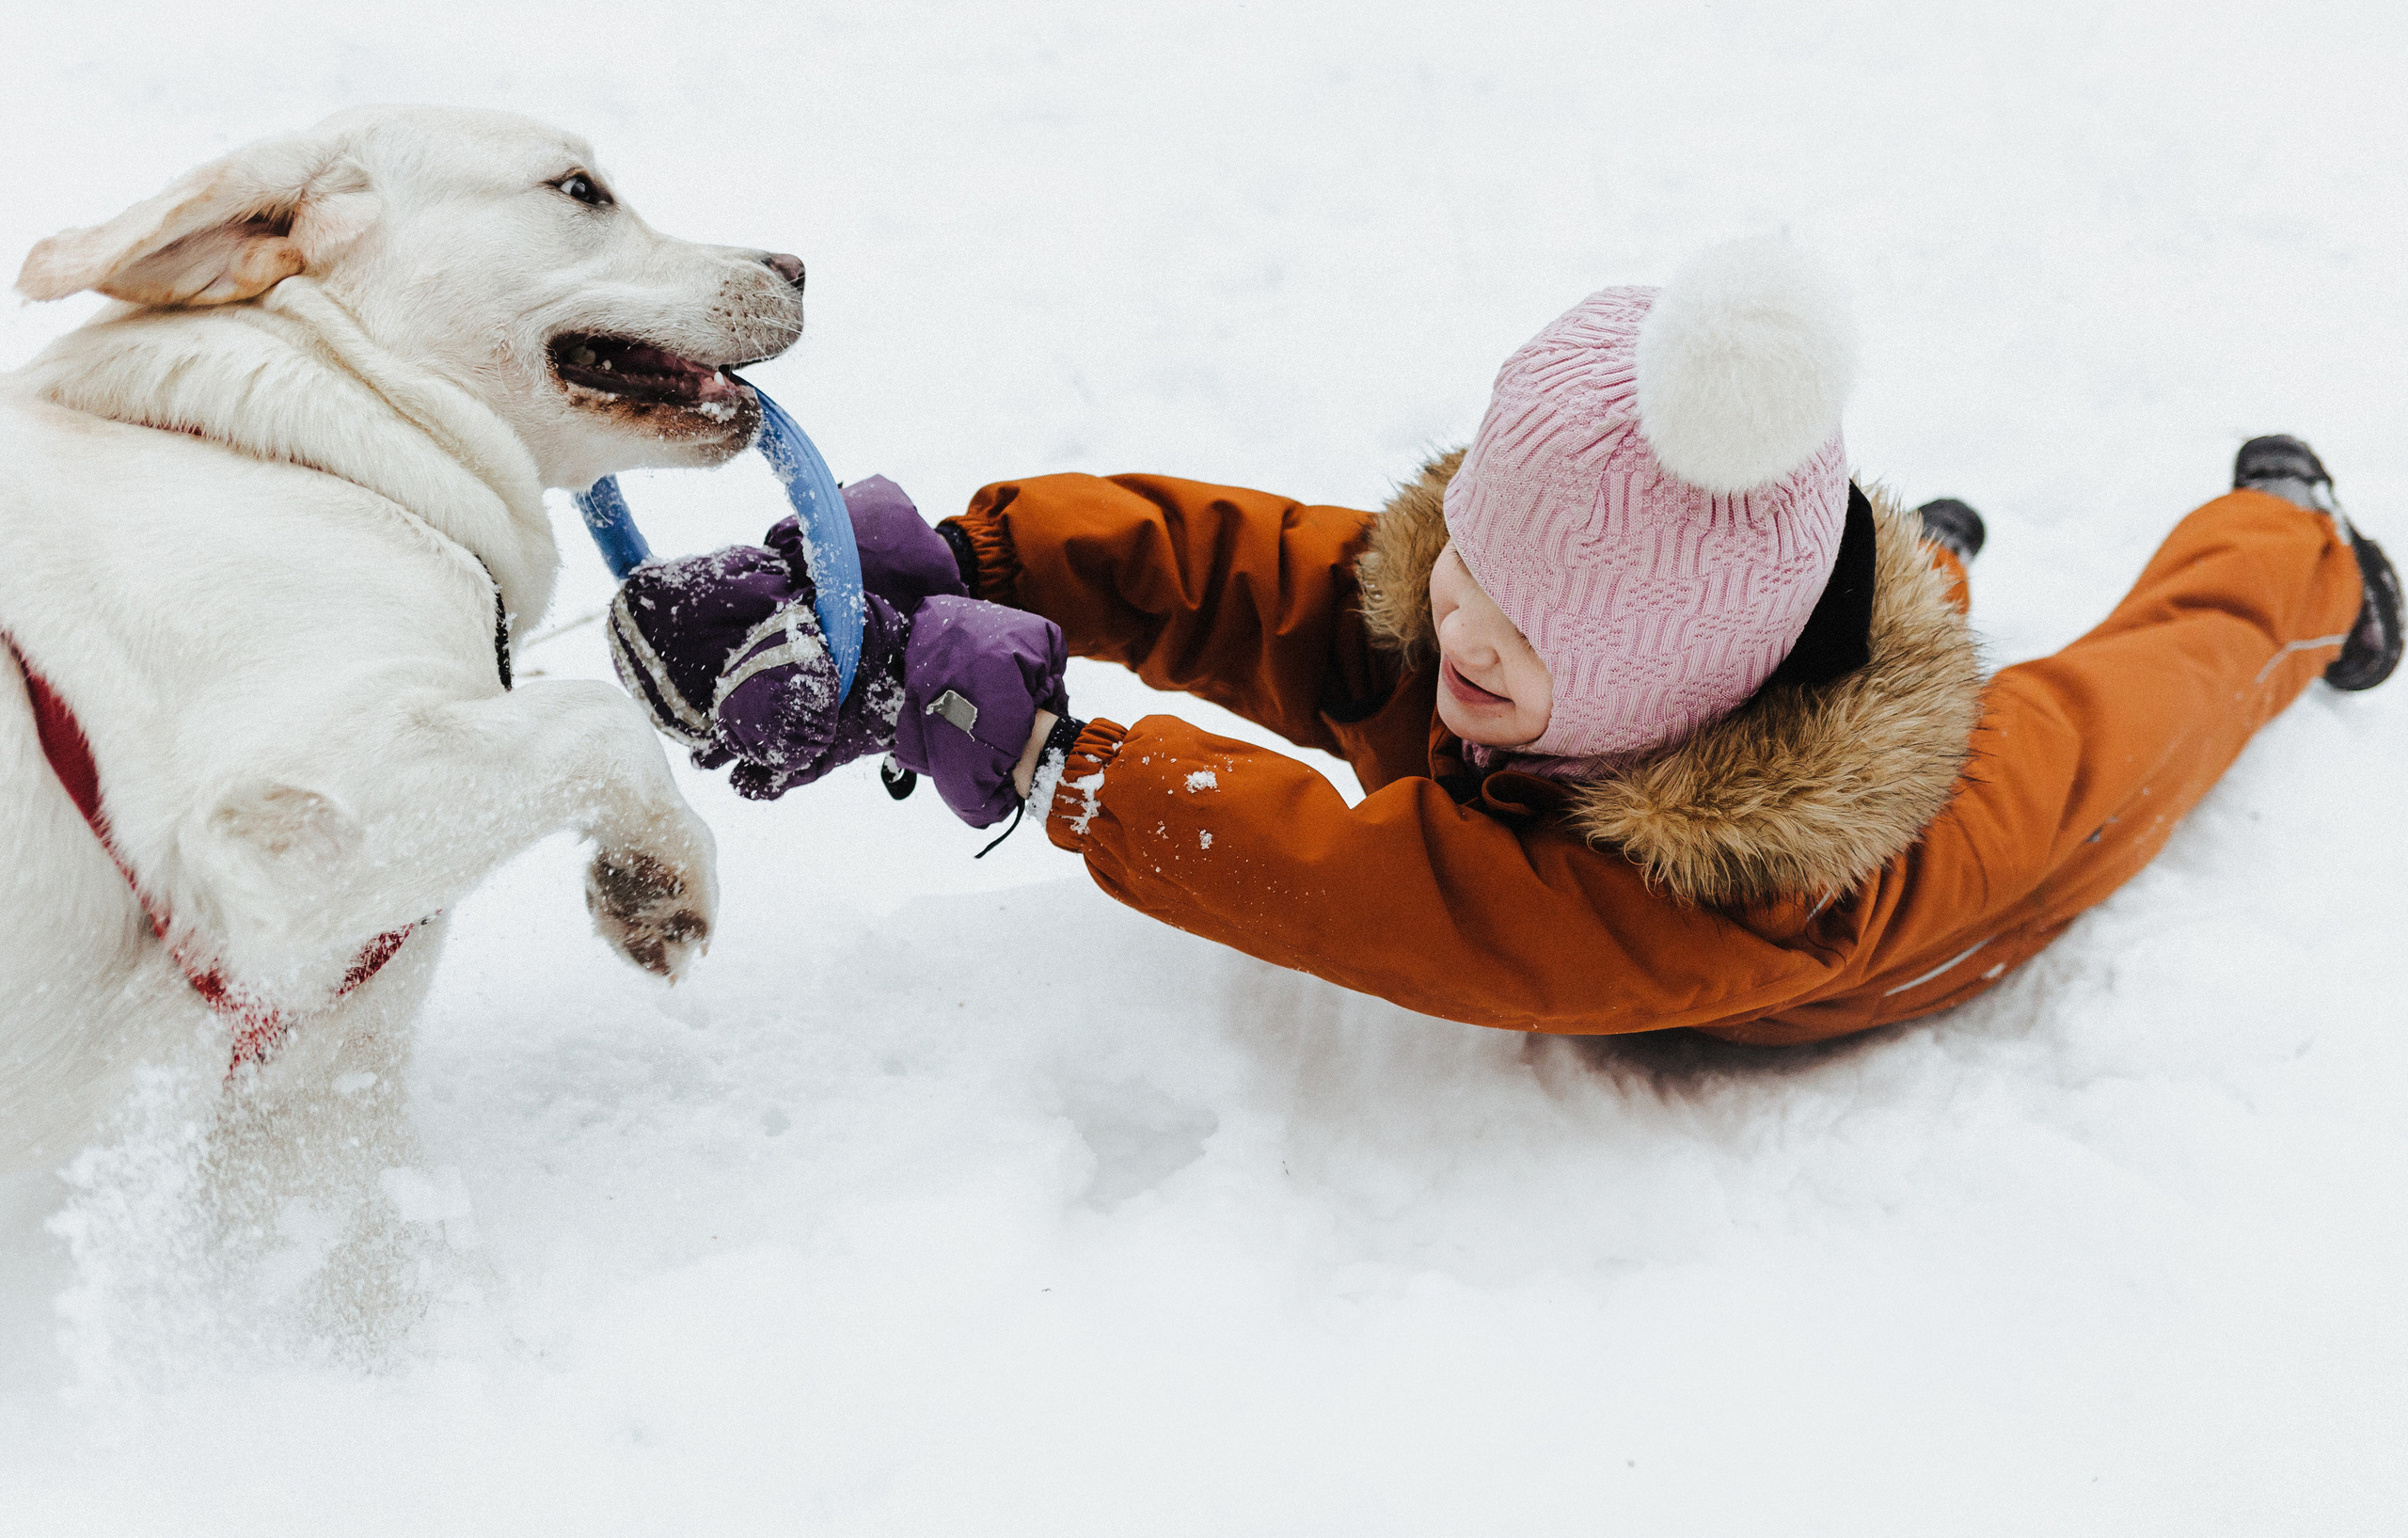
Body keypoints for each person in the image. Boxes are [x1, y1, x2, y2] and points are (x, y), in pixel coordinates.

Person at [606, 237, 2400, 1043]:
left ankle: (2299, 550)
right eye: (1462, 550)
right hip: (1695, 645)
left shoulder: (1718, 902)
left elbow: (1377, 892)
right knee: (1425, 613)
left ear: (1660, 683)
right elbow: (1253, 576)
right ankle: (1913, 556)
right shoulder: (1497, 621)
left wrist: (1057, 761)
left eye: (1511, 616)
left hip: (1879, 904)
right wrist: (964, 561)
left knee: (2125, 717)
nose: (1448, 612)